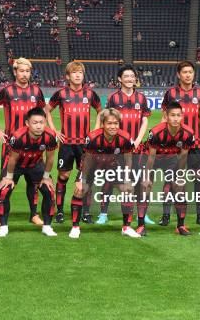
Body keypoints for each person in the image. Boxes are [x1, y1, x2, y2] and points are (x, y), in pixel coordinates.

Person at [0, 58, 47, 226]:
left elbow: (43, 111)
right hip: (11, 146)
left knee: (34, 181)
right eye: (21, 71)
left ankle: (34, 214)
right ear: (15, 72)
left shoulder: (36, 91)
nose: (24, 74)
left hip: (34, 146)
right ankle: (0, 215)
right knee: (5, 180)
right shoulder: (7, 91)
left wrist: (45, 129)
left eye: (27, 71)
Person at [95, 64, 154, 225]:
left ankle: (142, 214)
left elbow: (144, 120)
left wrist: (137, 140)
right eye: (126, 76)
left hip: (136, 147)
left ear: (136, 79)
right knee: (110, 180)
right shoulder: (113, 98)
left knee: (140, 181)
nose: (130, 79)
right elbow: (106, 120)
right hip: (116, 148)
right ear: (120, 79)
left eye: (132, 76)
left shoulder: (141, 98)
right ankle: (103, 213)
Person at [45, 61, 101, 224]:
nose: (78, 75)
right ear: (68, 76)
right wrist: (54, 131)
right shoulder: (61, 94)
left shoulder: (90, 94)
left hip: (85, 144)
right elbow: (47, 110)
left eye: (80, 73)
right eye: (74, 73)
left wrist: (95, 132)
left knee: (86, 177)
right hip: (67, 143)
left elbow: (100, 112)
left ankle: (85, 212)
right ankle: (60, 211)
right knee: (64, 176)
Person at [69, 109, 138, 239]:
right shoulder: (93, 138)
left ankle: (126, 227)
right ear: (103, 124)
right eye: (109, 123)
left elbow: (128, 159)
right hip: (93, 166)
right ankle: (75, 227)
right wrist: (82, 179)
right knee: (80, 190)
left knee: (128, 190)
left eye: (116, 123)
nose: (113, 126)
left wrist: (128, 178)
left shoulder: (125, 138)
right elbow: (87, 161)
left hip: (112, 167)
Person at [160, 61, 200, 227]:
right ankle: (166, 215)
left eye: (190, 72)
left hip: (195, 145)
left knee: (198, 180)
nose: (188, 75)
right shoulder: (171, 94)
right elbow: (164, 118)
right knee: (170, 179)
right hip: (173, 146)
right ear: (178, 75)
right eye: (185, 72)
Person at [0, 107, 58, 237]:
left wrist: (46, 177)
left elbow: (50, 158)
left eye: (41, 122)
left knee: (49, 191)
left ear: (45, 122)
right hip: (17, 165)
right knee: (4, 190)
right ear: (27, 124)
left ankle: (47, 226)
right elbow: (12, 159)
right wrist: (8, 177)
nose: (39, 126)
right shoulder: (18, 136)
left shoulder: (51, 136)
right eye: (35, 123)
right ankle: (3, 227)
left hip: (35, 164)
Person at [139, 101, 195, 236]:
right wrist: (146, 177)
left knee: (179, 188)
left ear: (182, 116)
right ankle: (141, 226)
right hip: (151, 158)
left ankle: (180, 226)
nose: (176, 118)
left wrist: (179, 177)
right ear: (166, 116)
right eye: (172, 115)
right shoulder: (156, 132)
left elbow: (183, 157)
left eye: (178, 115)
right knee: (145, 187)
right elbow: (151, 158)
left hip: (170, 159)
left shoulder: (188, 133)